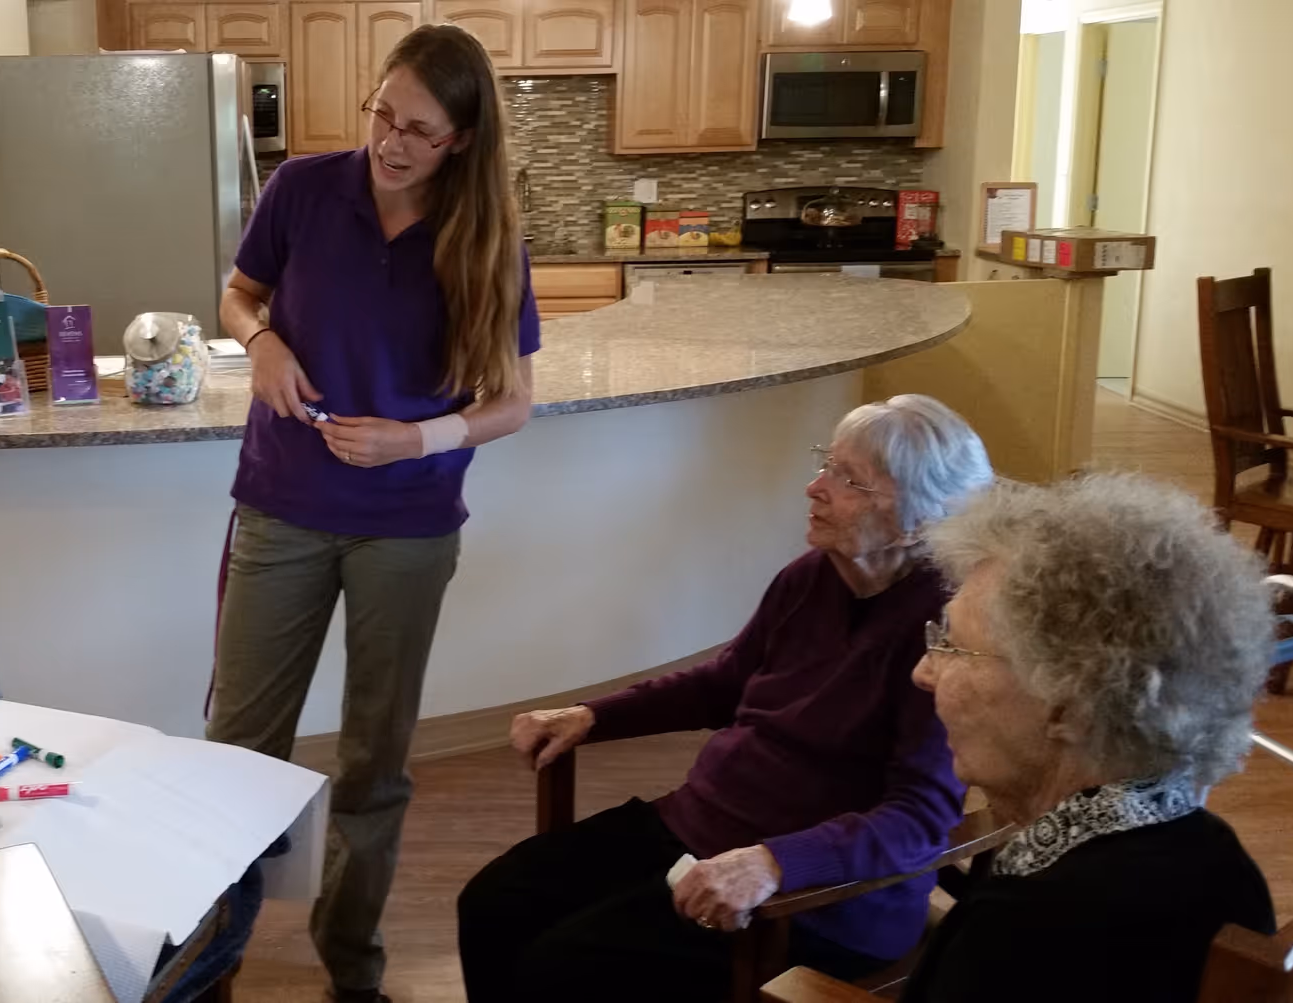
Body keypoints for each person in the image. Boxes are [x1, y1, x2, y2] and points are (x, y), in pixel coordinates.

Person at [205, 24, 539, 1003]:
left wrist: (417, 439)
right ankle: (209, 960)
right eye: (381, 115)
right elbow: (236, 294)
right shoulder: (303, 189)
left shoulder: (486, 238)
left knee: (373, 760)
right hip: (282, 504)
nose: (390, 141)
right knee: (238, 748)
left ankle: (353, 970)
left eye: (419, 130)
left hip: (410, 523)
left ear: (463, 140)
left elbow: (512, 403)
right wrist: (258, 340)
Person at [459, 395, 994, 1002]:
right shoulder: (810, 578)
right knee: (494, 902)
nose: (814, 487)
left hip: (814, 897)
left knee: (562, 970)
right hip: (699, 829)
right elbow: (726, 682)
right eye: (827, 464)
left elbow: (918, 820)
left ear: (916, 521)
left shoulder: (945, 632)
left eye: (849, 480)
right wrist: (592, 714)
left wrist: (774, 863)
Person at [900, 474, 1275, 1001]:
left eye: (953, 647)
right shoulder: (1221, 857)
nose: (924, 671)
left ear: (1067, 706)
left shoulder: (1028, 927)